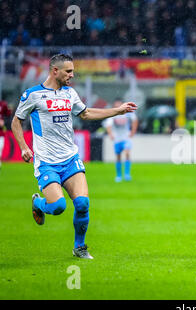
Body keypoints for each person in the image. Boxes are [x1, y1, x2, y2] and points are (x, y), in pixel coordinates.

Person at [11, 54, 137, 259]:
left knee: (82, 204)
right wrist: (24, 147)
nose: (72, 74)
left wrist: (117, 111)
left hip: (70, 159)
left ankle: (79, 247)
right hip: (47, 163)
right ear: (55, 71)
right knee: (58, 206)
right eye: (68, 71)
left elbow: (85, 114)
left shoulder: (70, 94)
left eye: (72, 71)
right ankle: (38, 204)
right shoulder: (33, 95)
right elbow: (16, 121)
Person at [104, 99, 138, 182]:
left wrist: (133, 131)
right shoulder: (113, 114)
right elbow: (108, 125)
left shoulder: (127, 113)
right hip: (117, 139)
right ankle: (119, 175)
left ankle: (127, 174)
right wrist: (110, 134)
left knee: (127, 153)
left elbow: (135, 120)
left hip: (126, 137)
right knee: (118, 157)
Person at [0, 100, 12, 169]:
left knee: (0, 148)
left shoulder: (3, 104)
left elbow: (9, 115)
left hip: (1, 133)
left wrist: (4, 121)